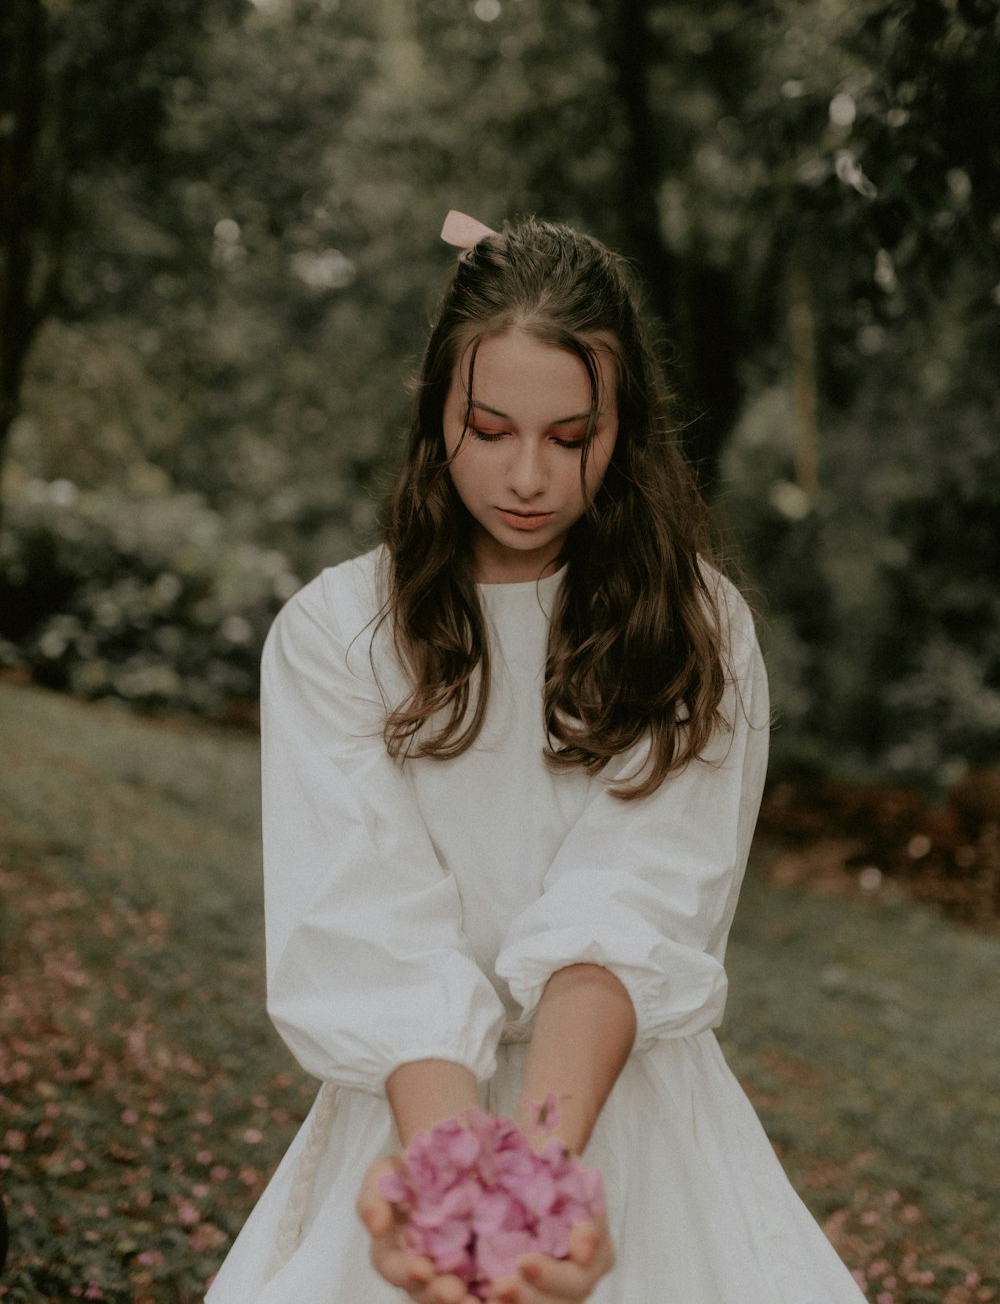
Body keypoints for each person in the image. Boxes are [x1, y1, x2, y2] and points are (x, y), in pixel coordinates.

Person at [207, 212, 867, 1304]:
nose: (528, 477)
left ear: (627, 428)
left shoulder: (697, 627)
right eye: (489, 427)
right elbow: (372, 928)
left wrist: (540, 1182)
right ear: (435, 416)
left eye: (571, 438)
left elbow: (633, 903)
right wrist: (457, 1187)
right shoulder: (335, 634)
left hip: (632, 1111)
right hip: (416, 1114)